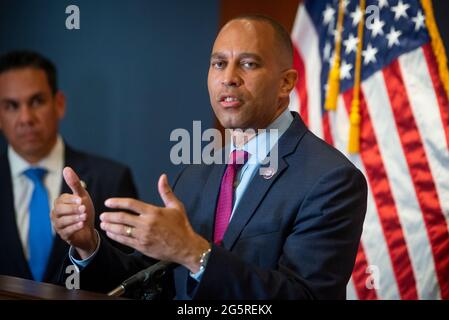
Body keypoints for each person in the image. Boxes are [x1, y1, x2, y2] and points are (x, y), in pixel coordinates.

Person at [52, 15, 368, 299]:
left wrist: (194, 252)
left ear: (286, 83)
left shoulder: (330, 179)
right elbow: (147, 280)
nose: (228, 77)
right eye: (219, 63)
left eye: (248, 64)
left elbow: (304, 296)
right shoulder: (195, 173)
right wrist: (87, 245)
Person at [0, 50, 138, 284]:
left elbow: (134, 281)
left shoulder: (111, 180)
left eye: (37, 101)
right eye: (12, 106)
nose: (25, 118)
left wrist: (89, 248)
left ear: (59, 104)